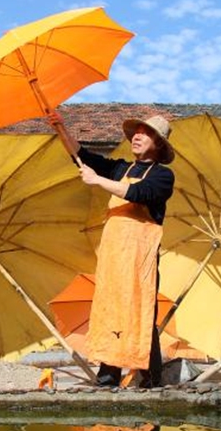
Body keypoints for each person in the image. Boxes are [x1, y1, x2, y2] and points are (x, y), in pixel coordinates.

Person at [56, 113, 175, 388]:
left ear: (158, 144)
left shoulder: (162, 175)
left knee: (140, 309)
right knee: (110, 307)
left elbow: (138, 194)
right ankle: (109, 374)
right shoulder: (121, 169)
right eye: (137, 131)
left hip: (139, 256)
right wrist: (60, 127)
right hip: (114, 254)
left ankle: (150, 377)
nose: (137, 135)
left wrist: (97, 181)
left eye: (145, 133)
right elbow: (82, 155)